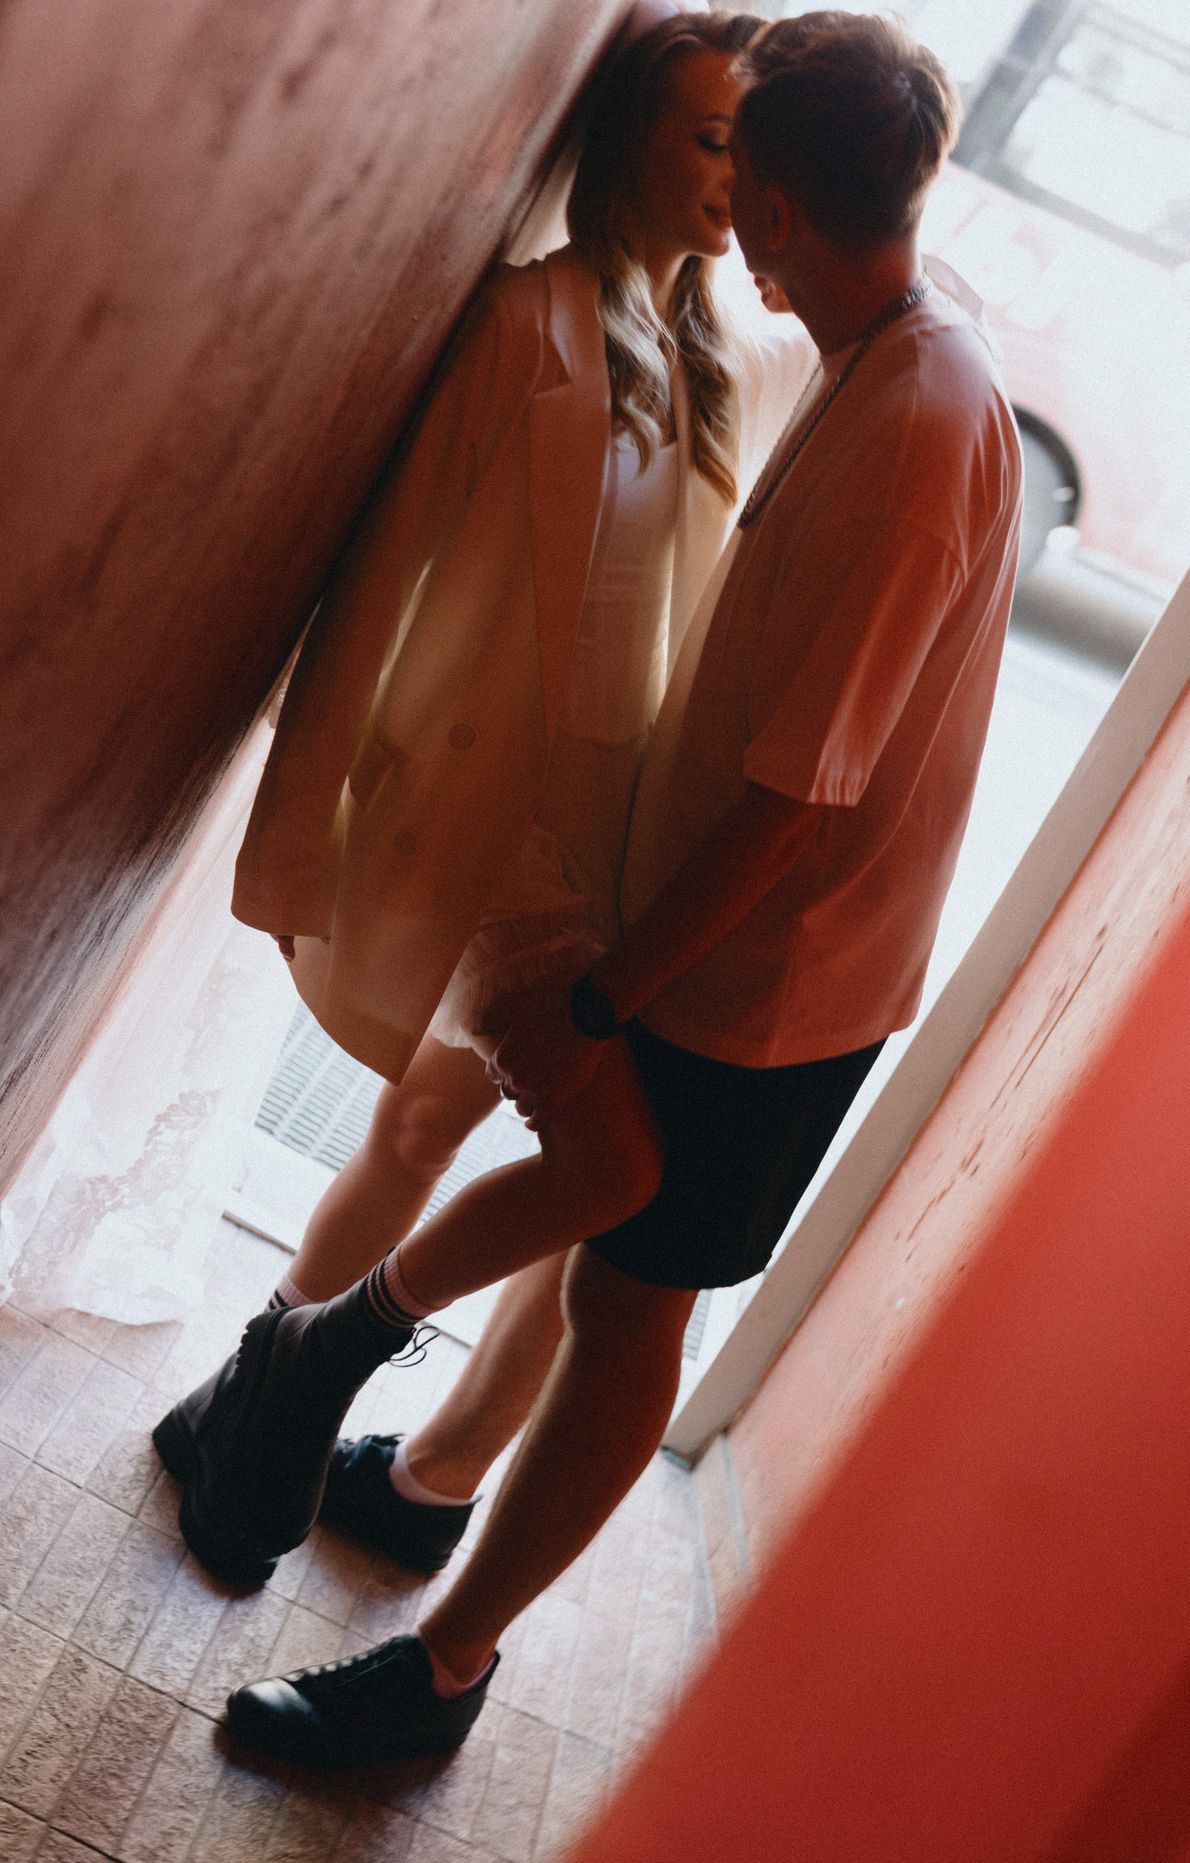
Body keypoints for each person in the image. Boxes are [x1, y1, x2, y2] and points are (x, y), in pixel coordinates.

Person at [166, 9, 1023, 1768]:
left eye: (738, 164)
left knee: (632, 1305)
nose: (723, 198)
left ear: (776, 203)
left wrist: (611, 986)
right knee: (614, 1263)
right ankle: (378, 1439)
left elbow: (794, 807)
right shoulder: (881, 354)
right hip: (720, 942)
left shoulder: (912, 426)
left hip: (767, 976)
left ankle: (437, 1660)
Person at [186, 11, 814, 1581]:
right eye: (710, 138)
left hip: (616, 846)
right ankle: (275, 1393)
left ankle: (259, 1405)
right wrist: (301, 836)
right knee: (509, 1147)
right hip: (498, 834)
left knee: (460, 1136)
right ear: (629, 141)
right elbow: (380, 582)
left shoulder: (724, 360)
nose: (738, 176)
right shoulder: (526, 326)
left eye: (751, 145)